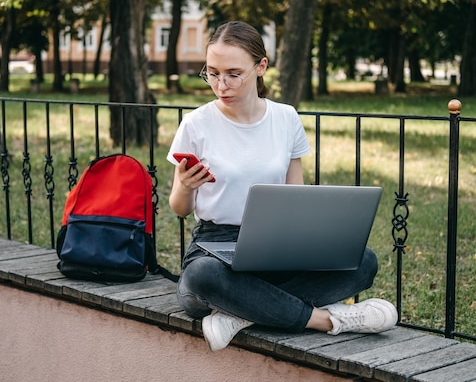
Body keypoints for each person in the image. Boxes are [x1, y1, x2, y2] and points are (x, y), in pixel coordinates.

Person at [167, 21, 397, 351]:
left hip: (273, 245)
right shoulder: (196, 123)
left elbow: (295, 197)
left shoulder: (286, 118)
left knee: (364, 261)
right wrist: (186, 187)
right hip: (214, 247)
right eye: (212, 73)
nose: (221, 84)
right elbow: (180, 208)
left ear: (261, 67)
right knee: (200, 278)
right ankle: (331, 320)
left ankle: (242, 313)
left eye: (234, 73)